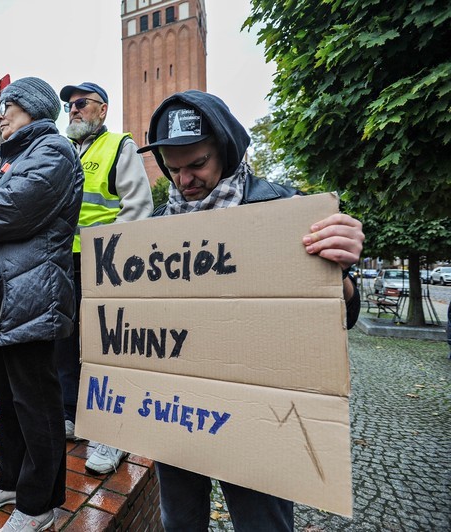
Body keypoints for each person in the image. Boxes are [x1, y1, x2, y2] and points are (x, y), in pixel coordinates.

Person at [136, 90, 364, 531]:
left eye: (197, 164)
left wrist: (341, 270)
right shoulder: (152, 232)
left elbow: (343, 315)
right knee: (179, 522)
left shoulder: (286, 211)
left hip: (261, 422)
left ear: (226, 150)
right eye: (174, 168)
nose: (184, 180)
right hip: (179, 413)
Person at [0, 78, 154, 474]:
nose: (74, 110)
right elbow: (10, 150)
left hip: (105, 265)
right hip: (60, 262)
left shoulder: (118, 146)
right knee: (62, 346)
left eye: (83, 103)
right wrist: (0, 107)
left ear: (103, 109)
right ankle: (70, 415)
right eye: (70, 106)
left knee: (107, 351)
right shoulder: (57, 148)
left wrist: (114, 258)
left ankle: (111, 435)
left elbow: (138, 206)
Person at [0, 76, 83, 532]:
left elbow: (3, 213)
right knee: (8, 398)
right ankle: (11, 481)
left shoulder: (53, 151)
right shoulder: (20, 155)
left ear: (32, 108)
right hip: (6, 296)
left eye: (7, 107)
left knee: (37, 404)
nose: (0, 115)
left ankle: (38, 503)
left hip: (34, 297)